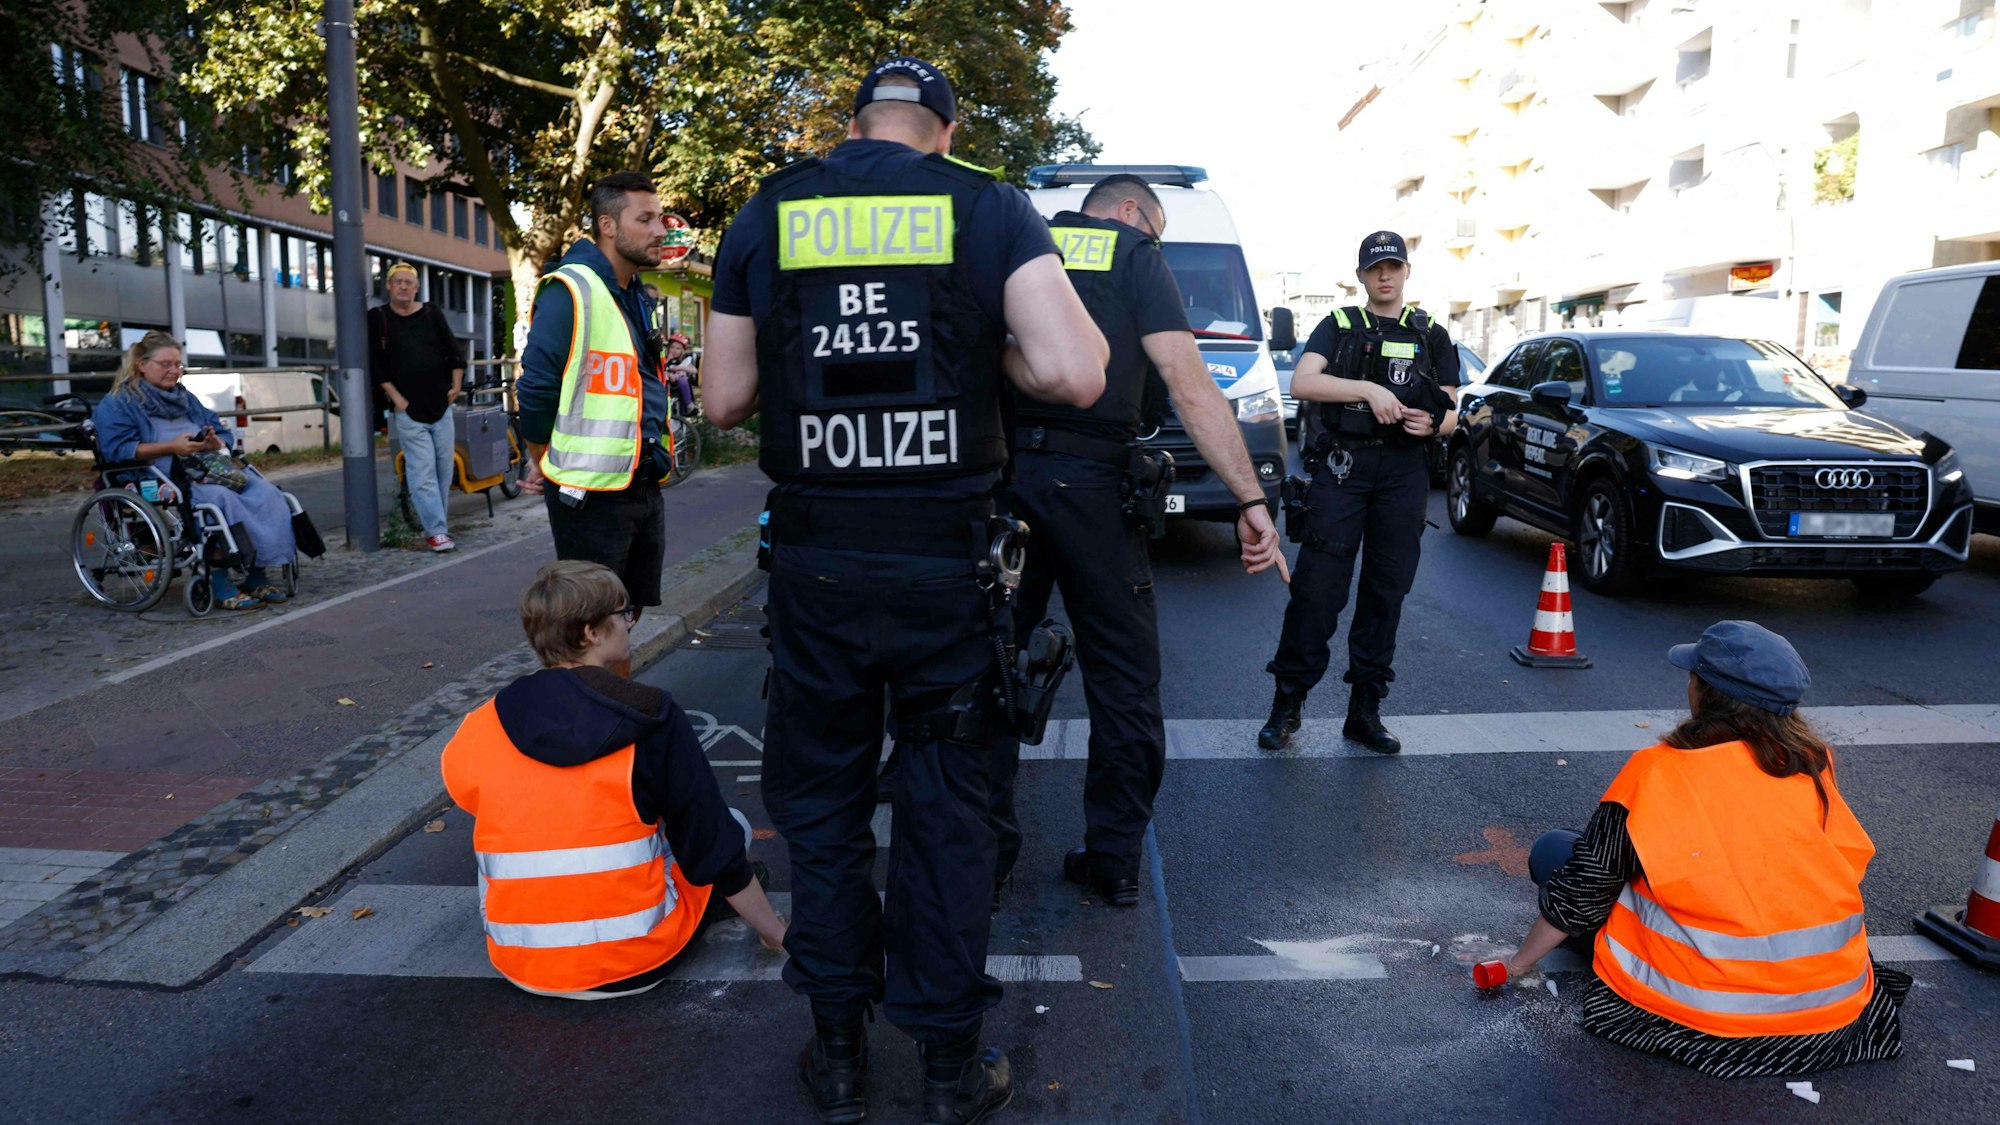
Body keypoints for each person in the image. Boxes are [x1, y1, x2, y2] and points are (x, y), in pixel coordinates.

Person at [702, 56, 1106, 1125]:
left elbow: (725, 398)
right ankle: (944, 1069)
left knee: (824, 815)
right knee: (945, 817)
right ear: (943, 126)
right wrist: (986, 359)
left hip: (817, 564)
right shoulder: (985, 208)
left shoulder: (768, 213)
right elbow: (1075, 372)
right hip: (945, 564)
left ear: (853, 123)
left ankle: (836, 1058)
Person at [989, 175, 1283, 910]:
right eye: (1154, 229)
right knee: (1123, 683)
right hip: (1096, 489)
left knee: (984, 666)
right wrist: (1249, 496)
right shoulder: (1133, 254)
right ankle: (1115, 859)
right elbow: (1187, 380)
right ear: (1128, 212)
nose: (1154, 241)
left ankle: (981, 853)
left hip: (1008, 482)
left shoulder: (1015, 237)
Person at [1498, 620, 1908, 1078]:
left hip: (1708, 1008)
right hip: (1829, 1001)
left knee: (1556, 852)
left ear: (1706, 692)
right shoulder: (1809, 761)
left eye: (1693, 675)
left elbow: (1581, 893)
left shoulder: (1658, 772)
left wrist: (1517, 964)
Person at [440, 560, 787, 1000]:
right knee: (730, 826)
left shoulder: (484, 721)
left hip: (520, 962)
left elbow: (470, 796)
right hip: (635, 961)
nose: (630, 623)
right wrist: (775, 933)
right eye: (625, 613)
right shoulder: (651, 716)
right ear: (590, 633)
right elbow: (710, 843)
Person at [1258, 231, 1458, 754]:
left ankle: (1364, 713)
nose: (1385, 276)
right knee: (1317, 591)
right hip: (1345, 469)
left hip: (1403, 472)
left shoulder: (1430, 331)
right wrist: (1368, 389)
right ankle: (1287, 706)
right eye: (1375, 269)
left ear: (1407, 272)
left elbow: (1453, 407)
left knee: (1385, 592)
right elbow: (1303, 382)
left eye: (1393, 266)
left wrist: (1430, 422)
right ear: (1362, 276)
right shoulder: (1340, 324)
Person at [517, 172, 674, 652]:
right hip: (590, 494)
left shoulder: (633, 292)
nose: (660, 230)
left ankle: (618, 711)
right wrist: (541, 456)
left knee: (624, 620)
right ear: (608, 225)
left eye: (660, 217)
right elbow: (537, 386)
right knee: (589, 627)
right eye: (644, 219)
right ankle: (586, 717)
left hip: (641, 480)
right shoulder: (570, 289)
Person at [92, 331, 297, 610]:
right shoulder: (118, 403)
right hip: (159, 473)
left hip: (205, 465)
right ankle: (221, 581)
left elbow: (222, 430)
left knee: (265, 493)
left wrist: (216, 441)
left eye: (178, 365)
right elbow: (116, 450)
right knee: (219, 500)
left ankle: (255, 575)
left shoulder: (185, 397)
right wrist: (170, 446)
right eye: (166, 364)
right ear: (141, 364)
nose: (174, 371)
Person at [369, 261, 466, 553]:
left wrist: (456, 386)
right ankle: (436, 532)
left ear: (416, 287)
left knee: (443, 471)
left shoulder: (430, 313)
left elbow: (453, 352)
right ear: (388, 286)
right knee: (422, 472)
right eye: (397, 281)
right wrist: (398, 400)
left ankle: (440, 526)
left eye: (408, 282)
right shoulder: (378, 317)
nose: (403, 287)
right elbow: (375, 365)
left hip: (440, 404)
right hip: (408, 409)